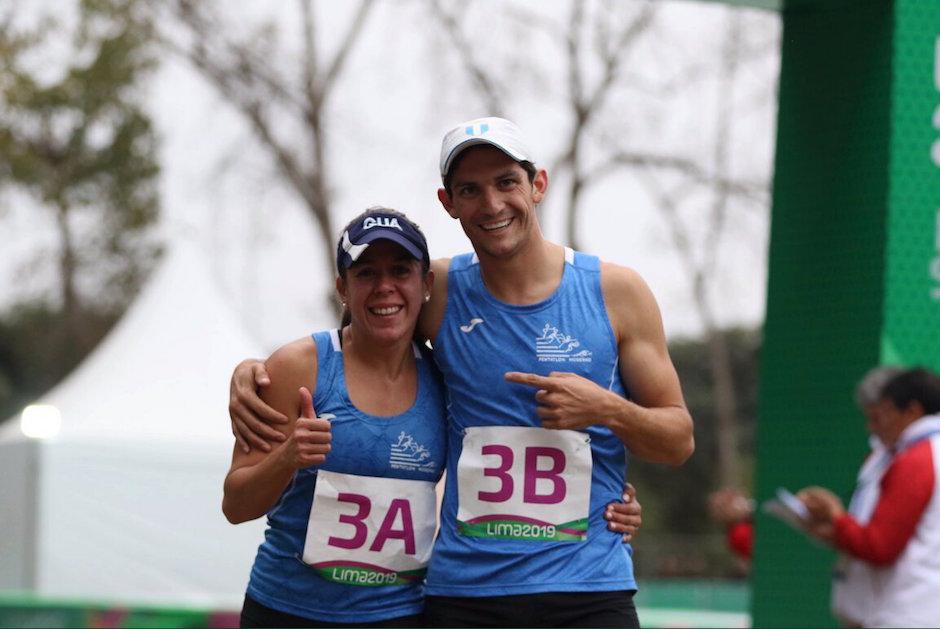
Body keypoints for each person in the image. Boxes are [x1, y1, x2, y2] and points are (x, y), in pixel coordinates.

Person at [231, 117, 692, 627]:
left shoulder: (616, 292)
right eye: (470, 190)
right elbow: (362, 333)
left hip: (588, 588)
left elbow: (678, 440)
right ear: (448, 203)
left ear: (537, 184)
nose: (492, 204)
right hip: (466, 597)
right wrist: (251, 372)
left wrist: (607, 409)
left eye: (506, 182)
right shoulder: (441, 291)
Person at [224, 208, 447, 627]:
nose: (385, 288)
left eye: (400, 271)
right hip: (287, 611)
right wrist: (288, 457)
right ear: (343, 287)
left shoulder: (447, 377)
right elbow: (235, 505)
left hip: (398, 616)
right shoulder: (299, 368)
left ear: (426, 284)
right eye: (366, 274)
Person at [798, 366, 940, 628]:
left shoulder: (917, 458)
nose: (877, 426)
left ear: (912, 411)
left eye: (885, 413)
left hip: (910, 613)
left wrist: (836, 517)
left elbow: (879, 546)